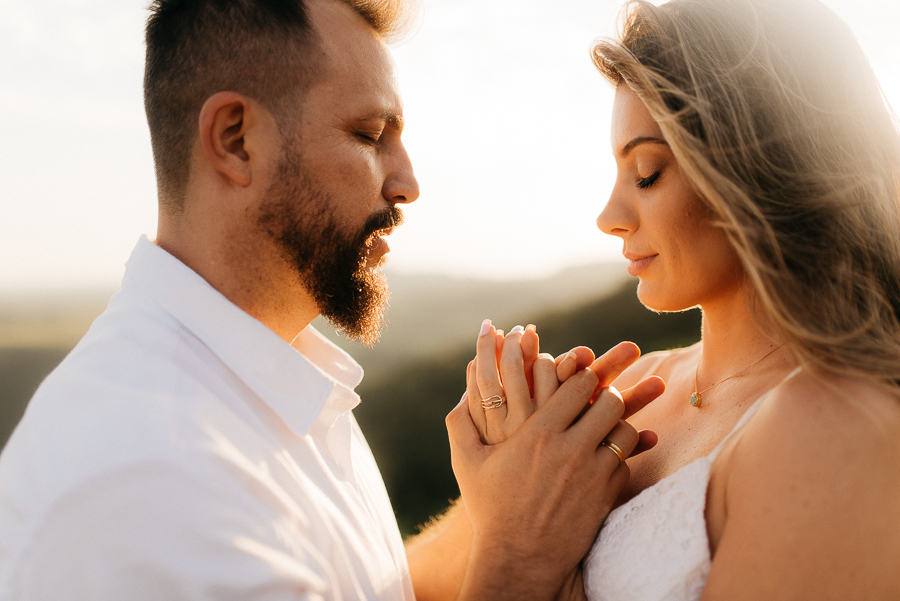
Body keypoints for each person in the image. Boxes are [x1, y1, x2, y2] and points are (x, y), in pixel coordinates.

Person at [0, 0, 663, 599]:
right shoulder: (146, 483)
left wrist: (508, 500)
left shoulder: (270, 381)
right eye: (370, 134)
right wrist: (518, 555)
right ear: (236, 139)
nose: (407, 183)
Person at [464, 0, 900, 599]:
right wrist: (508, 467)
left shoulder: (833, 427)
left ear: (761, 166)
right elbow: (397, 578)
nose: (608, 217)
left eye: (646, 173)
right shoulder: (628, 398)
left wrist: (518, 556)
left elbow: (504, 559)